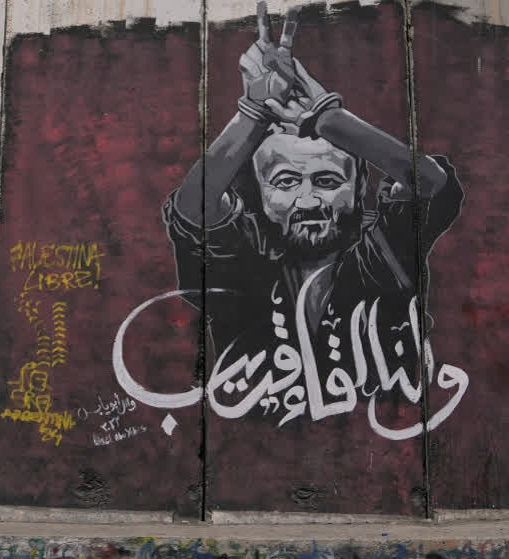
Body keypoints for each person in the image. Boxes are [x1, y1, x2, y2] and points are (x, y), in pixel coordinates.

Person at [165, 2, 464, 401]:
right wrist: (253, 114)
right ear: (260, 196)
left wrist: (327, 118)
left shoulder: (385, 257)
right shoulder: (244, 272)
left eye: (327, 180)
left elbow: (430, 182)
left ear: (359, 190)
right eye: (286, 181)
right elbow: (195, 211)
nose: (308, 200)